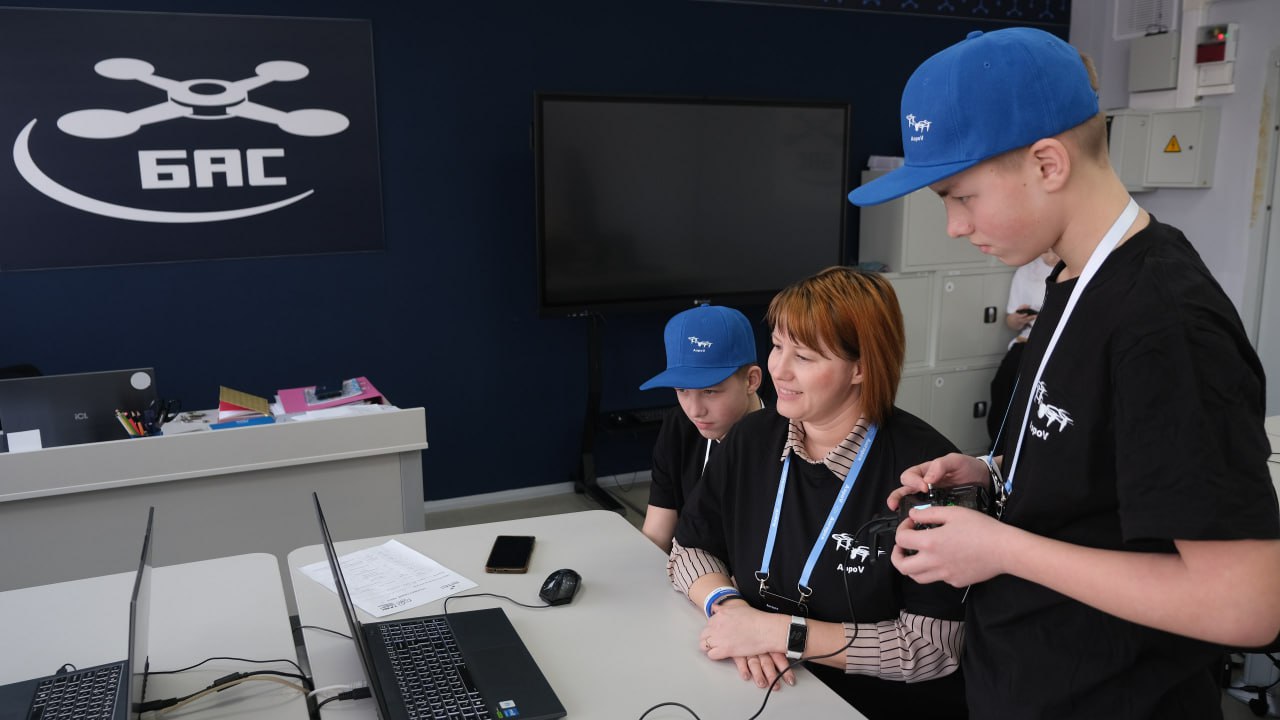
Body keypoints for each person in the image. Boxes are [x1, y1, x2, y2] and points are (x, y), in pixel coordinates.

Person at [848, 27, 1280, 719]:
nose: (954, 226)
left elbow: (1244, 604)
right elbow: (1101, 463)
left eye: (960, 196)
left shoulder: (1165, 322)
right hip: (1029, 678)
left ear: (1048, 163)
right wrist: (993, 470)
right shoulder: (1072, 275)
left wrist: (1002, 549)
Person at [667, 267, 967, 720]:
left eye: (804, 356)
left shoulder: (926, 472)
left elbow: (931, 649)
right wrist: (730, 610)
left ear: (861, 367)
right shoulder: (752, 438)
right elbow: (689, 548)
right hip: (754, 686)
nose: (779, 369)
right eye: (777, 346)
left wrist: (779, 633)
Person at [638, 304, 763, 552]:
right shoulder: (678, 426)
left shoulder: (787, 439)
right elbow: (657, 534)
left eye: (709, 391)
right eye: (682, 390)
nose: (695, 411)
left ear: (751, 380)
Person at [987, 249, 1058, 444]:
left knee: (1038, 395)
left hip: (1054, 343)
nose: (1049, 255)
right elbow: (1011, 321)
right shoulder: (1026, 270)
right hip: (1026, 340)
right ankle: (999, 447)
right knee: (1003, 385)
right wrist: (1017, 319)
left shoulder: (1074, 269)